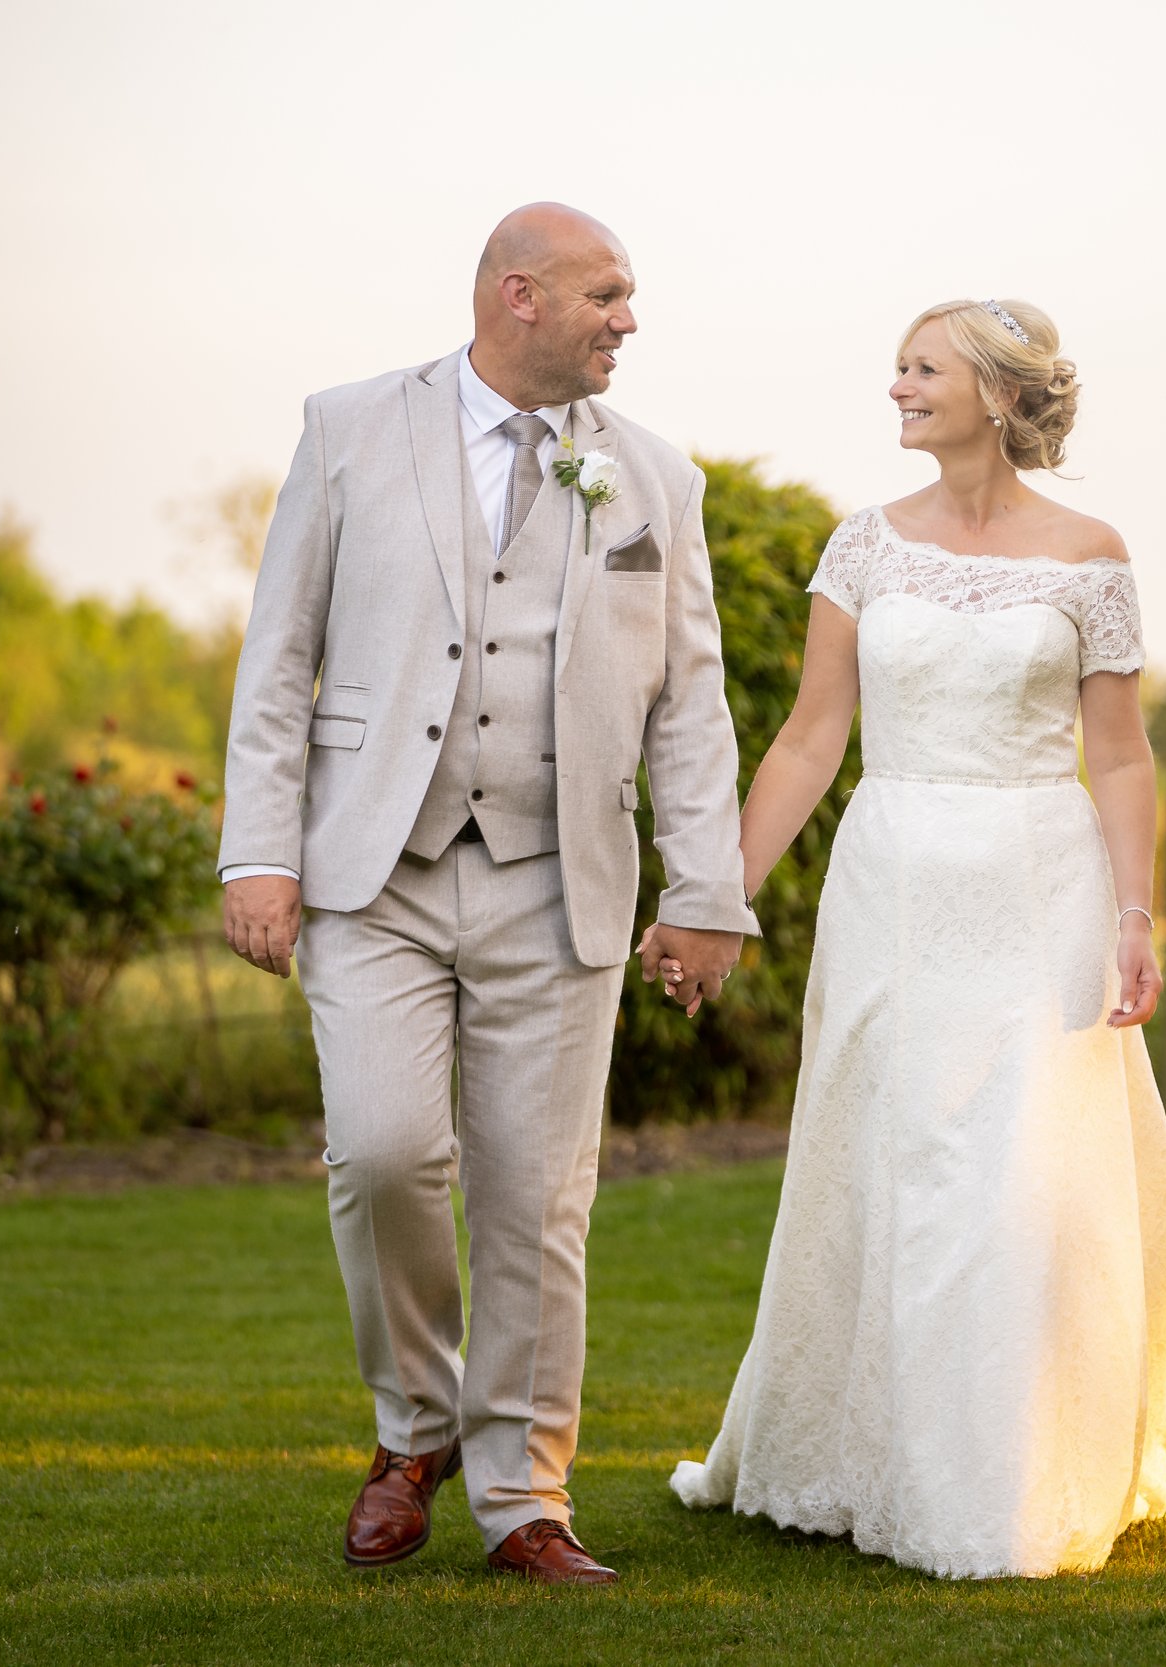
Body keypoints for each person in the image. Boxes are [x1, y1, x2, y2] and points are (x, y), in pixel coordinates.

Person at [665, 298, 1166, 1578]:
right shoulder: (862, 547)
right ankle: (869, 1452)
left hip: (1038, 884)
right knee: (895, 1164)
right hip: (894, 880)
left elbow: (1119, 754)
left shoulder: (1090, 553)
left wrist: (1137, 913)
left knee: (1012, 1171)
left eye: (922, 368)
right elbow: (808, 738)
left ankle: (1013, 1467)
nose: (895, 386)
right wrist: (715, 894)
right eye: (898, 367)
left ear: (1000, 397)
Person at [219, 203, 754, 1587]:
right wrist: (256, 851)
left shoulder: (656, 480)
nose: (628, 318)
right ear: (517, 294)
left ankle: (524, 1493)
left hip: (557, 874)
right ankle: (415, 1426)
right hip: (369, 874)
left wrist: (707, 889)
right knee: (385, 1153)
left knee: (536, 1197)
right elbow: (279, 659)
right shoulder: (347, 429)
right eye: (607, 293)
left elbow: (690, 702)